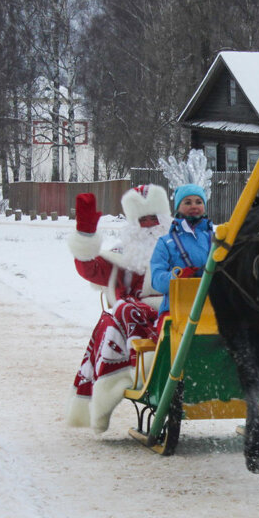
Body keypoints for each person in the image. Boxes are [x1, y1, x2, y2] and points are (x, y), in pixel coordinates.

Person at [68, 185, 173, 433]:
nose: (149, 226)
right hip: (137, 317)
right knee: (121, 312)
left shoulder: (179, 249)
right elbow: (90, 269)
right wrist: (85, 234)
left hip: (178, 310)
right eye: (142, 220)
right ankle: (137, 372)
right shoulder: (123, 255)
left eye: (154, 219)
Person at [149, 183, 213, 325]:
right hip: (174, 310)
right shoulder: (165, 242)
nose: (194, 206)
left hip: (213, 308)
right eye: (187, 202)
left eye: (199, 202)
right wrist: (176, 277)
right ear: (177, 207)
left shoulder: (216, 239)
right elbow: (156, 279)